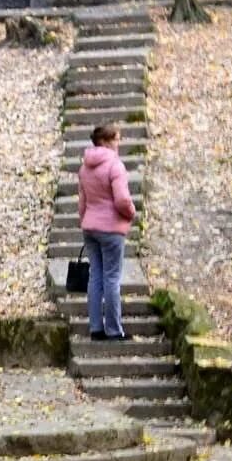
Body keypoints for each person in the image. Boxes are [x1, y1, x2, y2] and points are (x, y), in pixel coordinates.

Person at [78, 123, 136, 341]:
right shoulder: (115, 166)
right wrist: (130, 213)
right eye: (116, 139)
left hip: (90, 227)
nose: (118, 144)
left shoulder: (84, 167)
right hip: (111, 229)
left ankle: (95, 328)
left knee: (95, 277)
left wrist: (85, 219)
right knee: (112, 278)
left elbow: (82, 202)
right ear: (104, 141)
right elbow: (122, 199)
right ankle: (114, 329)